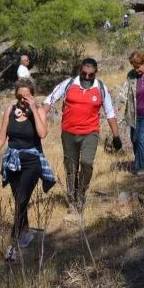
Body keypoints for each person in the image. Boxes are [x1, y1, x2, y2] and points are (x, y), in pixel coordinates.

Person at [0, 81, 55, 260]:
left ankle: (11, 244)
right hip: (12, 161)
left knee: (22, 199)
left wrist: (33, 108)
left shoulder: (38, 112)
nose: (23, 100)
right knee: (19, 200)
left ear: (32, 96)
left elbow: (42, 134)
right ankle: (25, 232)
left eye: (27, 96)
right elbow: (2, 138)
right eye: (19, 96)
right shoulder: (10, 111)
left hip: (32, 162)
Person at [43, 58, 121, 218]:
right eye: (84, 73)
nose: (86, 77)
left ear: (95, 72)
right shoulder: (69, 83)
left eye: (90, 74)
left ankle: (81, 194)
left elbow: (110, 113)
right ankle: (72, 200)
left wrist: (116, 135)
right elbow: (49, 99)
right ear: (80, 70)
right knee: (70, 167)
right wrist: (40, 118)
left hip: (90, 133)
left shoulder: (100, 88)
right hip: (68, 132)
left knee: (86, 163)